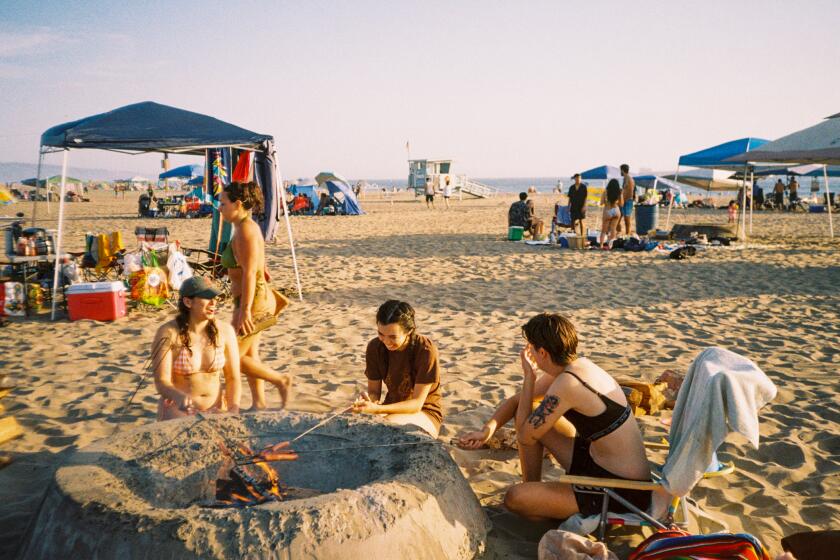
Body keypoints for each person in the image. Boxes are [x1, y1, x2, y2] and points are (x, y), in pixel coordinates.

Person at [458, 313, 651, 521]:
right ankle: (534, 490)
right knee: (530, 410)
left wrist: (529, 377)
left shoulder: (568, 384)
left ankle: (535, 504)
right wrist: (487, 430)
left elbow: (524, 435)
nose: (527, 351)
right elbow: (517, 402)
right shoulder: (577, 367)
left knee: (514, 498)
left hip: (622, 490)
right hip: (597, 462)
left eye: (529, 347)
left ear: (542, 352)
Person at [219, 181, 291, 410]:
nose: (219, 207)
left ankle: (280, 380)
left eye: (223, 203)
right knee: (250, 353)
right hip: (249, 299)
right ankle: (259, 402)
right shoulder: (244, 227)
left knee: (230, 357)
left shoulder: (246, 230)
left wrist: (245, 310)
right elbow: (257, 265)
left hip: (253, 301)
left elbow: (250, 273)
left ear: (238, 204)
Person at [152, 277, 241, 420]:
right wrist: (178, 396)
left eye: (214, 298)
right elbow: (162, 381)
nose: (213, 303)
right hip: (180, 407)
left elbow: (233, 378)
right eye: (207, 298)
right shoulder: (169, 333)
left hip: (217, 406)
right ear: (188, 302)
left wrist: (233, 407)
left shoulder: (225, 331)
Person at [353, 300, 443, 437]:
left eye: (393, 337)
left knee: (386, 427)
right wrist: (367, 402)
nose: (386, 342)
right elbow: (373, 392)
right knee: (350, 422)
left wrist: (377, 409)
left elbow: (416, 404)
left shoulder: (425, 350)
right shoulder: (375, 347)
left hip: (424, 414)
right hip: (390, 408)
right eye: (381, 334)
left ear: (409, 331)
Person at [599, 179, 622, 249]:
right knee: (613, 229)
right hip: (616, 210)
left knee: (603, 230)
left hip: (607, 210)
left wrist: (606, 202)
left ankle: (601, 245)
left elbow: (601, 203)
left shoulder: (605, 192)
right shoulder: (619, 192)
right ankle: (611, 246)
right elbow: (621, 204)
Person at [618, 164, 635, 235]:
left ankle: (627, 235)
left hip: (627, 201)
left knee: (626, 220)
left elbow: (630, 192)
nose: (620, 172)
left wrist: (623, 200)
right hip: (624, 201)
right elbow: (625, 191)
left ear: (622, 170)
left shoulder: (629, 179)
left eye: (620, 170)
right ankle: (619, 233)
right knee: (618, 218)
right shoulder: (625, 178)